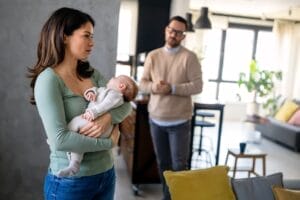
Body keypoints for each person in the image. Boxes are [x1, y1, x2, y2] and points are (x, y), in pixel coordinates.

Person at [28, 7, 132, 200]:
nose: (92, 43)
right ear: (64, 36)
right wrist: (109, 142)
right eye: (86, 36)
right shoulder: (48, 80)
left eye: (92, 36)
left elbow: (125, 103)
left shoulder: (90, 73)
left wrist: (108, 117)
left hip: (106, 175)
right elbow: (60, 140)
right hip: (71, 183)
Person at [139, 16, 203, 200]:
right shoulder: (153, 55)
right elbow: (142, 83)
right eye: (171, 30)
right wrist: (154, 87)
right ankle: (168, 197)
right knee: (163, 164)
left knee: (179, 166)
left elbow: (198, 86)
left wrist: (172, 88)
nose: (173, 34)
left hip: (180, 121)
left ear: (183, 36)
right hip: (156, 119)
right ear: (166, 30)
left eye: (178, 32)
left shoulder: (189, 58)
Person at [58, 75, 138, 177]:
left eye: (115, 78)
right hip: (94, 121)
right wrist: (91, 93)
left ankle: (63, 139)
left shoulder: (116, 95)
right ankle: (74, 163)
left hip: (96, 121)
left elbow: (106, 105)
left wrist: (94, 112)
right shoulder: (105, 90)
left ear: (121, 86)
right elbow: (96, 90)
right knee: (79, 141)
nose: (112, 77)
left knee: (75, 123)